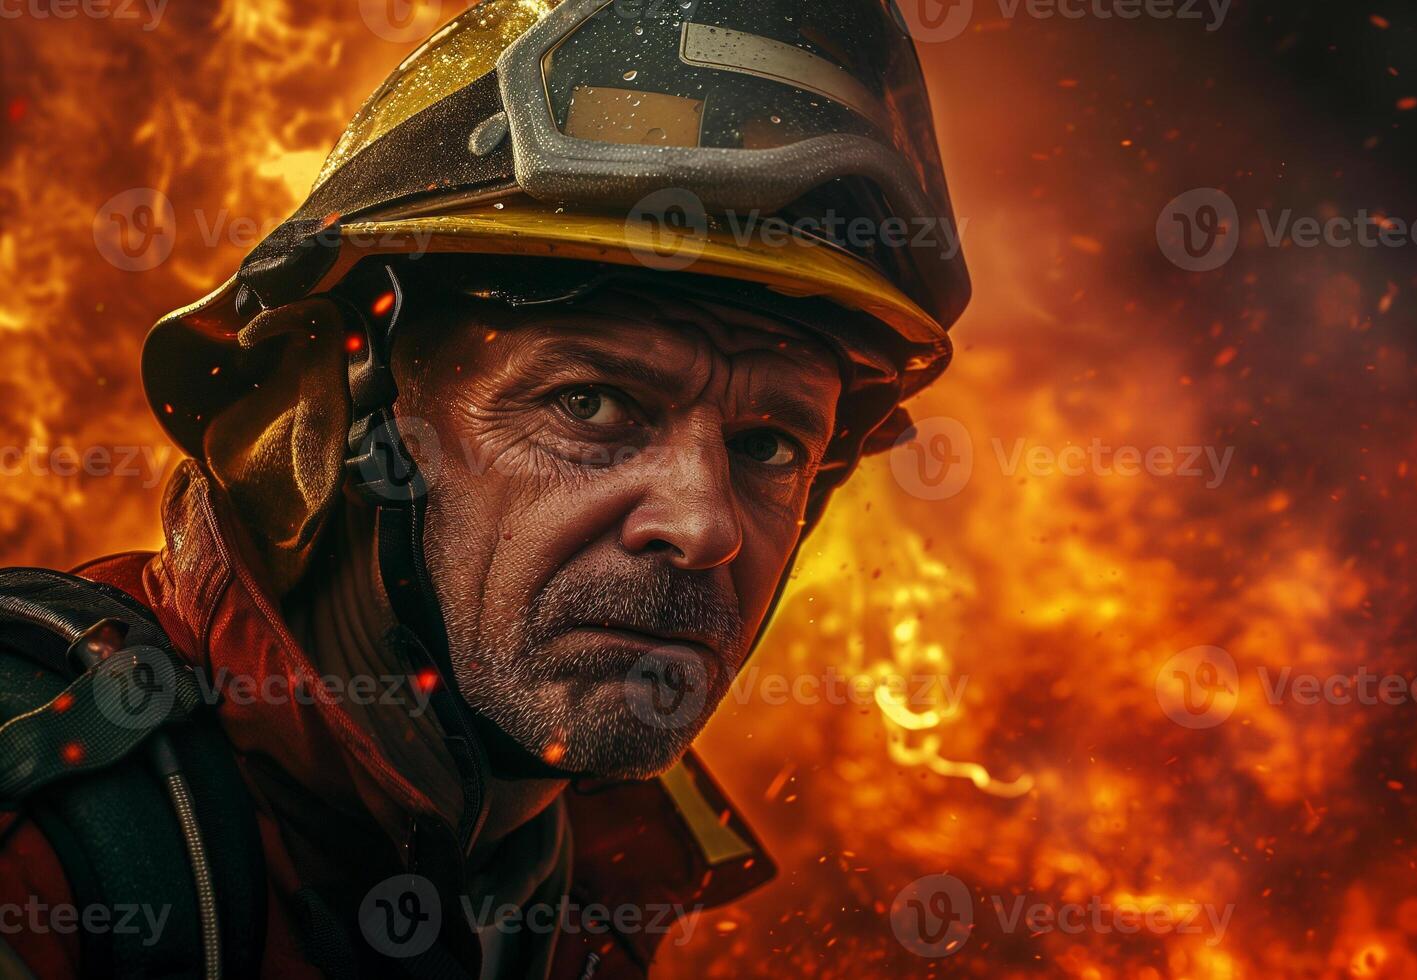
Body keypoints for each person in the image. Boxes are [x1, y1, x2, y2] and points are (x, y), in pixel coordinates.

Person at [0, 1, 969, 976]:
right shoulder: (40, 814)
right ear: (343, 423)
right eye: (589, 403)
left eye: (767, 443)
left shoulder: (594, 892)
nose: (705, 524)